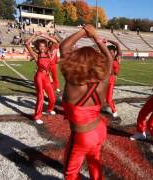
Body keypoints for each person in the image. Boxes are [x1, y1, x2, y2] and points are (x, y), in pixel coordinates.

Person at [59, 24, 112, 180]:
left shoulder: (73, 84)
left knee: (70, 173)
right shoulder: (103, 81)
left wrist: (84, 31)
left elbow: (64, 47)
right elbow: (109, 58)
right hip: (100, 129)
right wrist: (95, 37)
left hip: (82, 136)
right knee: (94, 163)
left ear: (76, 62)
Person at [25, 32, 58, 124]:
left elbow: (55, 42)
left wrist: (43, 35)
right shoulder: (36, 55)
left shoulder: (49, 53)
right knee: (41, 96)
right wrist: (35, 35)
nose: (42, 47)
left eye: (44, 46)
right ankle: (37, 116)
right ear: (38, 47)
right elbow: (27, 43)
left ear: (46, 46)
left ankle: (49, 109)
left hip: (47, 77)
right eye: (40, 46)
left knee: (52, 97)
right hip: (39, 76)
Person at [106, 39, 122, 118]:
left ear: (115, 52)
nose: (110, 53)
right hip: (103, 80)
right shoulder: (106, 58)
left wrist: (108, 40)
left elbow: (117, 45)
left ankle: (114, 111)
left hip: (111, 81)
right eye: (108, 52)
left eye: (111, 52)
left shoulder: (117, 58)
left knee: (108, 99)